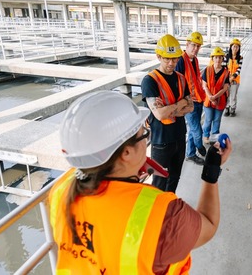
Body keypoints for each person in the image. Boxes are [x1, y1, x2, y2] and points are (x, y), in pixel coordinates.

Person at [49, 90, 233, 274]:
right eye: (143, 134)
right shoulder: (164, 215)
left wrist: (129, 170)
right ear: (125, 153)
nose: (146, 138)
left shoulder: (61, 189)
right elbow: (208, 225)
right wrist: (211, 170)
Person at [141, 34, 193, 192]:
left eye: (175, 59)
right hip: (161, 141)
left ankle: (169, 208)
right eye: (167, 59)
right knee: (159, 182)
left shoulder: (181, 78)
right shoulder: (150, 81)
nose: (172, 63)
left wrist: (172, 108)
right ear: (158, 57)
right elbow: (160, 115)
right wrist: (180, 104)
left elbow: (191, 106)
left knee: (174, 178)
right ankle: (158, 214)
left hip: (179, 137)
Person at [175, 31, 206, 165]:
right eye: (193, 45)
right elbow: (177, 83)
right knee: (196, 128)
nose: (196, 48)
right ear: (187, 44)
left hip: (198, 99)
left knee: (194, 129)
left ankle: (190, 153)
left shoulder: (195, 60)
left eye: (198, 46)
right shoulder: (181, 60)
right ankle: (198, 146)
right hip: (189, 102)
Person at [202, 47, 230, 143]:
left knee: (217, 120)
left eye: (220, 57)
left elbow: (225, 87)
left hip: (220, 100)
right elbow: (204, 85)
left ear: (222, 59)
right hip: (208, 100)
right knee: (208, 119)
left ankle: (214, 138)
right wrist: (210, 97)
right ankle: (206, 135)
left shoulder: (226, 72)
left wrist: (215, 97)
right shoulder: (207, 70)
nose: (218, 59)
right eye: (216, 57)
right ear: (212, 58)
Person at [224, 38, 243, 117]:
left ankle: (233, 109)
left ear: (239, 48)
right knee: (226, 94)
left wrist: (232, 78)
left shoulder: (240, 58)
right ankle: (227, 108)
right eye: (234, 46)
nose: (235, 48)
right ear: (231, 47)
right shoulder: (226, 57)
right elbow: (224, 68)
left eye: (237, 47)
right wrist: (228, 78)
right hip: (226, 79)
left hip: (235, 80)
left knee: (233, 95)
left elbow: (239, 70)